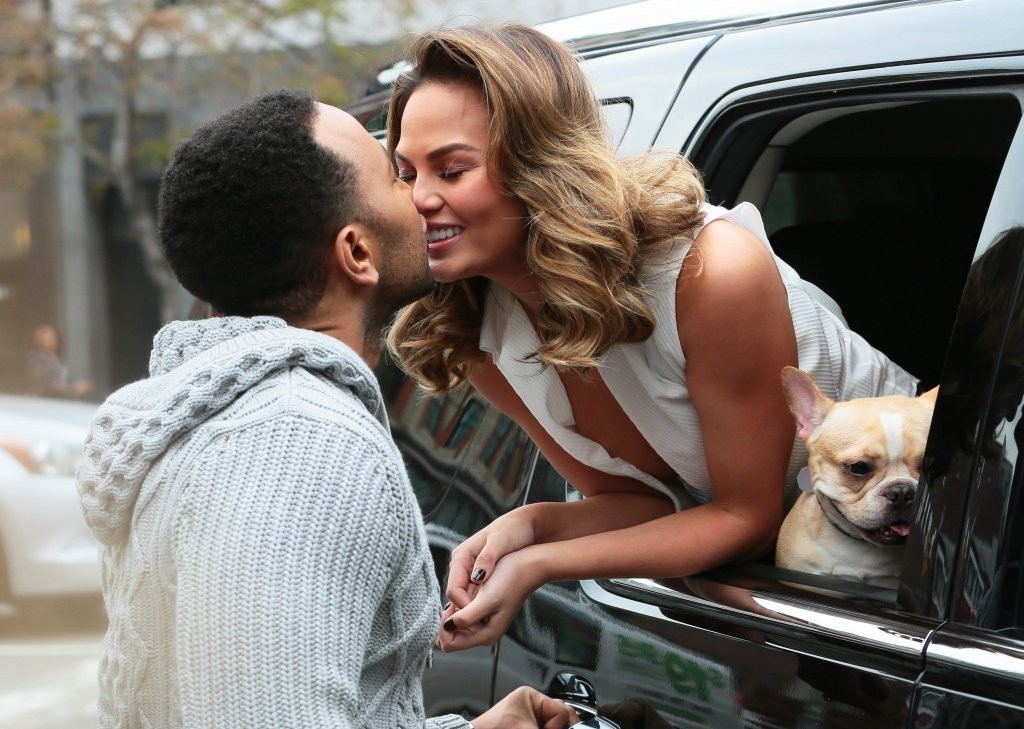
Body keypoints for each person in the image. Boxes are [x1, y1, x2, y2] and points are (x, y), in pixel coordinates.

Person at [383, 24, 919, 652]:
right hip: (798, 587)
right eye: (405, 173)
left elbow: (746, 518)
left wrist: (541, 564)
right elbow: (646, 505)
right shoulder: (477, 336)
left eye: (451, 170)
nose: (420, 198)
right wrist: (529, 526)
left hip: (921, 541)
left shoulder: (709, 272)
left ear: (540, 165)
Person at [75, 89, 578, 729]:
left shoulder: (240, 428)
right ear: (356, 253)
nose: (420, 195)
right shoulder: (297, 448)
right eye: (395, 176)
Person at [24, 323, 93, 398]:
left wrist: (79, 385)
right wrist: (74, 388)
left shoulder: (59, 360)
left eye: (51, 335)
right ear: (36, 339)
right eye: (43, 335)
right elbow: (47, 384)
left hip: (60, 399)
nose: (48, 338)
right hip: (41, 400)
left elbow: (63, 381)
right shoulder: (35, 358)